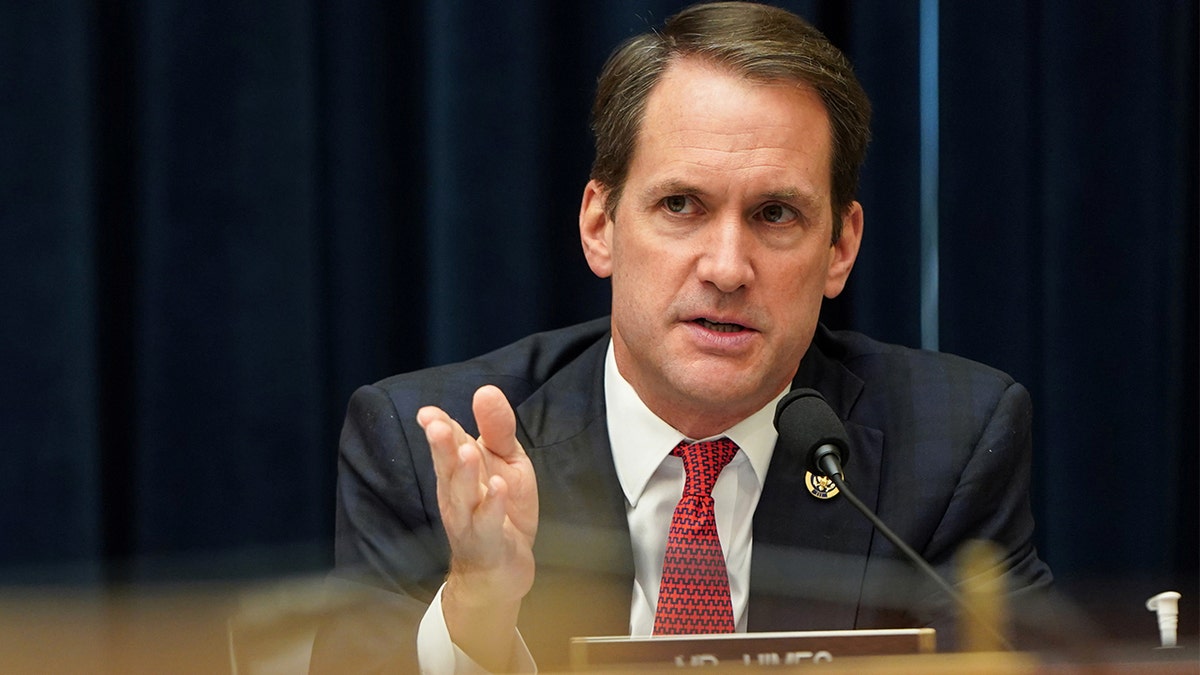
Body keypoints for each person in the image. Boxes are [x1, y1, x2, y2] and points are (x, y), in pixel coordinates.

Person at [309, 2, 1053, 672]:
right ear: (600, 225)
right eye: (681, 204)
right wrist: (476, 611)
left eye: (775, 215)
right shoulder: (431, 453)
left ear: (840, 248)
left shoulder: (952, 442)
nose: (727, 268)